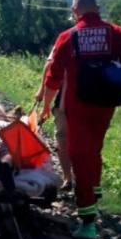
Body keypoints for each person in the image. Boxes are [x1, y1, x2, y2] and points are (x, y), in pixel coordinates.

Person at [40, 0, 121, 239]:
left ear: (75, 11)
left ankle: (88, 221)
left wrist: (46, 106)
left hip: (78, 106)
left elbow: (52, 77)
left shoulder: (68, 36)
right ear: (97, 8)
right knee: (93, 152)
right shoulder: (116, 33)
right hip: (106, 105)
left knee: (79, 159)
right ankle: (95, 193)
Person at [35, 54, 74, 191]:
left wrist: (43, 94)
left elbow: (51, 65)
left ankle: (68, 177)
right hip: (98, 104)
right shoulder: (111, 34)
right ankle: (89, 181)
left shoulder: (68, 36)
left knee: (62, 138)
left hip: (68, 100)